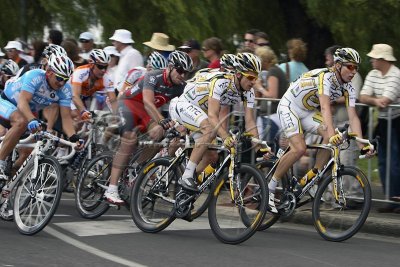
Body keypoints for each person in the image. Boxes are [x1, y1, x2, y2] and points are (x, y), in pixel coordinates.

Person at [268, 48, 375, 213]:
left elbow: (353, 117)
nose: (353, 72)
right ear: (338, 65)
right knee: (300, 148)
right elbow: (325, 108)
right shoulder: (325, 77)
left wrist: (362, 144)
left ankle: (313, 177)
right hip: (289, 106)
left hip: (307, 111)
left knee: (331, 135)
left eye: (356, 68)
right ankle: (270, 187)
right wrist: (332, 135)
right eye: (350, 67)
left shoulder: (349, 88)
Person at [169, 52, 270, 192]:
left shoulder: (249, 92)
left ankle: (186, 188)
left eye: (256, 78)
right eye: (251, 77)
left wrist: (259, 146)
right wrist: (225, 137)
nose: (253, 82)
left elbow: (250, 122)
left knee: (212, 156)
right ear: (239, 74)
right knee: (210, 130)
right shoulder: (222, 82)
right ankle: (186, 177)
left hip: (200, 112)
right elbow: (212, 115)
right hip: (184, 104)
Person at [103, 50, 192, 204]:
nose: (183, 75)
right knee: (129, 140)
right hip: (129, 104)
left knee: (159, 135)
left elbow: (183, 108)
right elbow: (148, 102)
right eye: (180, 71)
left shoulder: (180, 86)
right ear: (170, 67)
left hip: (145, 113)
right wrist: (162, 121)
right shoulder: (154, 76)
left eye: (186, 73)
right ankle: (111, 189)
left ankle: (137, 167)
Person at [0, 54, 82, 181]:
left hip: (25, 112)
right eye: (59, 78)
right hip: (7, 102)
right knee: (21, 122)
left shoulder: (65, 90)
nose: (62, 83)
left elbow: (66, 118)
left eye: (66, 79)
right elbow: (22, 102)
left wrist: (74, 138)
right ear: (49, 72)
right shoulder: (35, 75)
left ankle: (8, 185)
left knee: (27, 151)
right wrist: (32, 120)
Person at [359, 44, 400, 213]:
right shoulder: (373, 74)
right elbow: (363, 96)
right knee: (383, 160)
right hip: (383, 121)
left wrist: (375, 100)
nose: (371, 60)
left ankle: (397, 197)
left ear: (383, 59)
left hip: (397, 120)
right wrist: (375, 101)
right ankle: (390, 197)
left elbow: (386, 100)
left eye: (374, 57)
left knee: (395, 160)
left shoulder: (396, 74)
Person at [253, 46, 288, 147]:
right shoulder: (274, 70)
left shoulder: (273, 71)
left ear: (263, 60)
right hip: (271, 116)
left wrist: (259, 87)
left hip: (271, 116)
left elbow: (272, 96)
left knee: (265, 147)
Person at [70, 49, 117, 119]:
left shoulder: (107, 78)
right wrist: (83, 112)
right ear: (92, 65)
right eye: (100, 67)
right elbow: (75, 96)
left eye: (105, 67)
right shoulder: (80, 72)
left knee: (93, 120)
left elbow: (113, 100)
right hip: (69, 96)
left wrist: (116, 115)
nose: (103, 70)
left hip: (84, 98)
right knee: (78, 116)